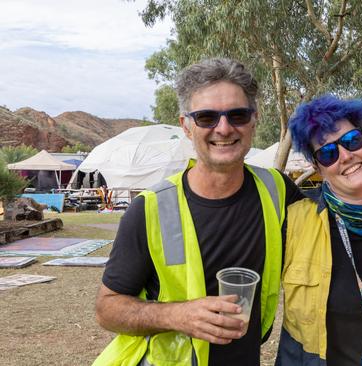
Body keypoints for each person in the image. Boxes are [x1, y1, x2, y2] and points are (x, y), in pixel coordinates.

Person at [94, 57, 303, 366]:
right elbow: (106, 309)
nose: (224, 128)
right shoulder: (150, 209)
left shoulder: (278, 190)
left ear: (254, 120)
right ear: (186, 126)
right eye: (206, 117)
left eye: (238, 115)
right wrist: (179, 314)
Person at [275, 95, 362, 365]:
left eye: (352, 141)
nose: (346, 156)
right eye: (328, 153)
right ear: (317, 167)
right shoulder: (293, 223)